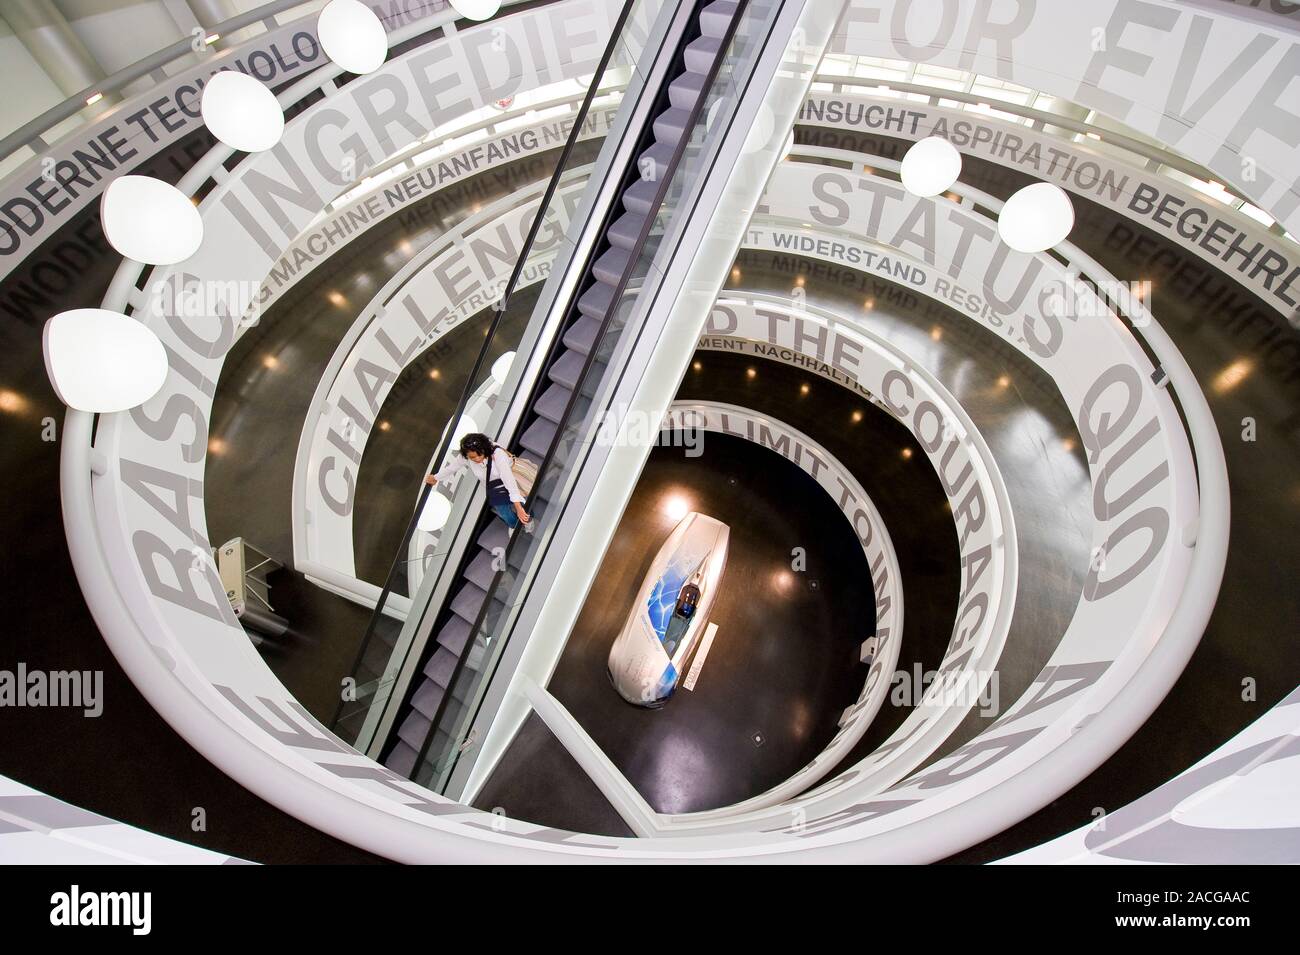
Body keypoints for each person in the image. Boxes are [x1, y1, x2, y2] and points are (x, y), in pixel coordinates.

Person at [425, 432, 531, 530]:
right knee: (504, 513)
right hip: (494, 487)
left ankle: (528, 521)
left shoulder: (497, 454)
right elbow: (452, 468)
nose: (477, 459)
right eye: (472, 457)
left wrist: (517, 506)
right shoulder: (466, 456)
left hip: (512, 480)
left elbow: (508, 478)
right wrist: (435, 478)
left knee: (523, 503)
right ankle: (517, 527)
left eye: (480, 454)